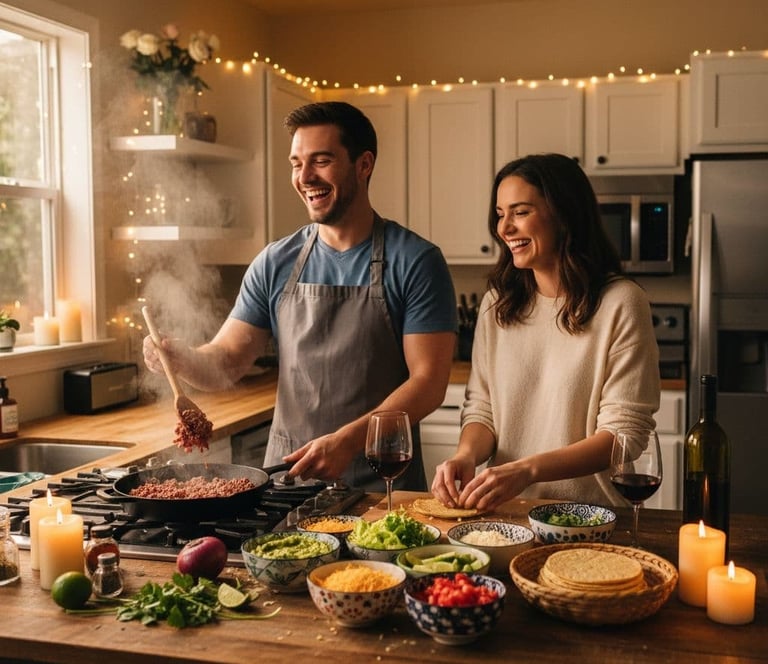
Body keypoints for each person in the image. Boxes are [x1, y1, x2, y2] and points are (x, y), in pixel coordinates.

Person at [143, 101, 457, 491]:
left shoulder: (416, 261)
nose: (305, 177)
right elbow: (227, 361)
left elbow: (428, 383)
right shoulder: (275, 262)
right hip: (287, 482)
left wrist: (347, 442)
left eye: (321, 161)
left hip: (382, 483)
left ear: (364, 165)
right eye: (296, 163)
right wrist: (180, 358)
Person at [431, 153, 660, 512]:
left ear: (564, 215)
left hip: (591, 516)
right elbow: (483, 410)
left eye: (520, 212)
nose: (504, 229)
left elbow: (622, 437)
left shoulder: (621, 303)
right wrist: (465, 455)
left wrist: (528, 470)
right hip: (505, 512)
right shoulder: (498, 304)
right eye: (500, 214)